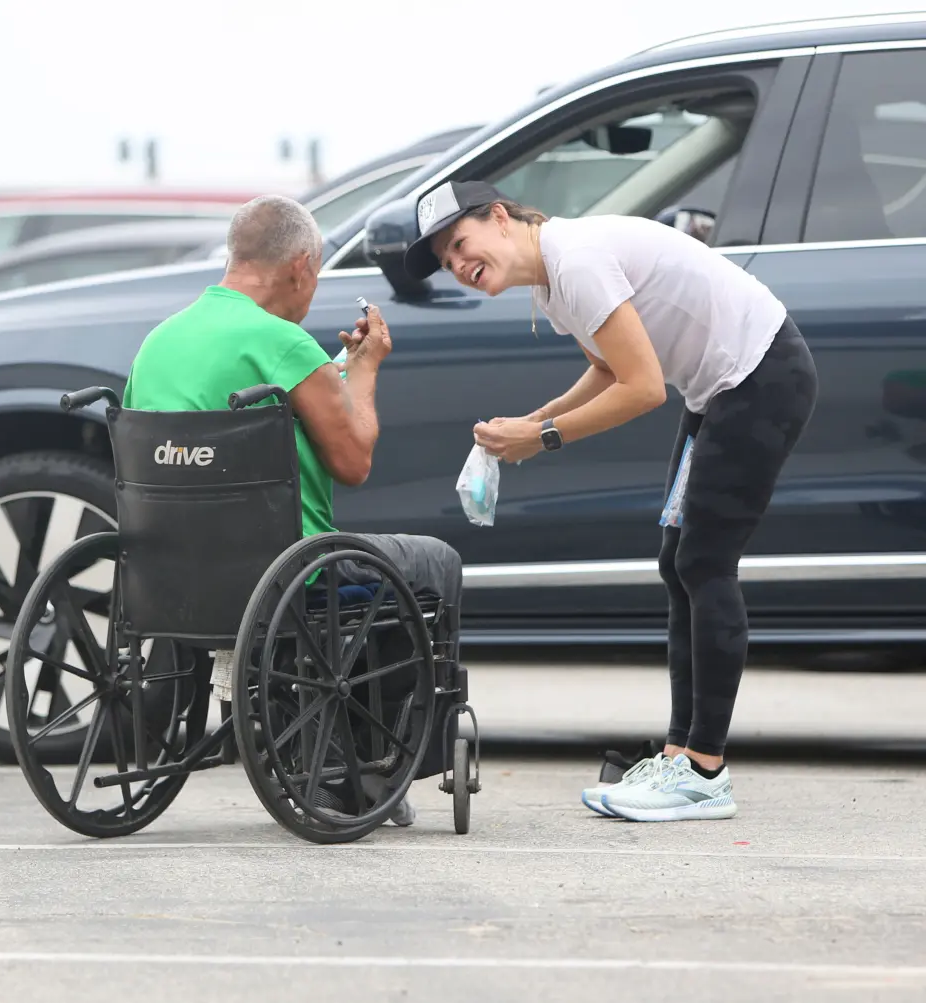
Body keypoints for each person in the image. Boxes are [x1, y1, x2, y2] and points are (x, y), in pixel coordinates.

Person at [403, 180, 819, 822]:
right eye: (445, 261)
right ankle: (680, 759)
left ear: (502, 219)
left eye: (461, 243)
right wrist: (533, 417)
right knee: (678, 561)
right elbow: (606, 367)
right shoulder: (553, 279)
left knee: (705, 564)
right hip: (720, 390)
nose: (457, 265)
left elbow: (644, 387)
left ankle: (704, 769)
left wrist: (540, 437)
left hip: (759, 376)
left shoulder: (576, 260)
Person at [123, 194, 464, 826]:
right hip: (287, 574)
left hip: (173, 576)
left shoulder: (159, 342)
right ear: (302, 267)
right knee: (433, 564)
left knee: (354, 570)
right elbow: (353, 461)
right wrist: (362, 372)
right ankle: (380, 766)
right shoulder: (283, 345)